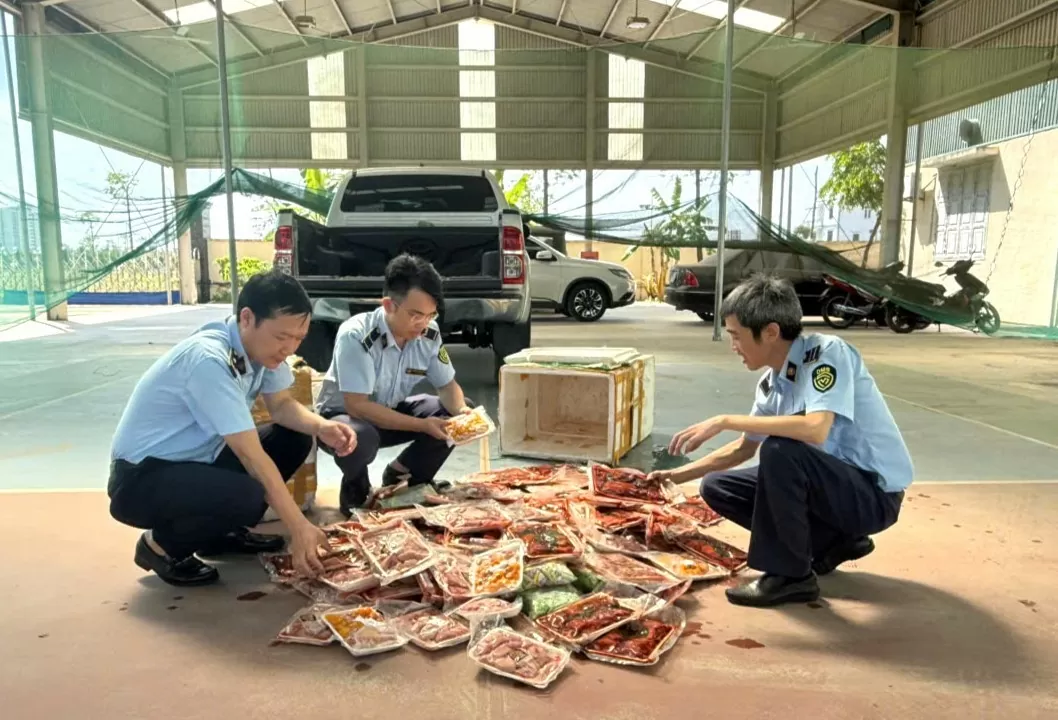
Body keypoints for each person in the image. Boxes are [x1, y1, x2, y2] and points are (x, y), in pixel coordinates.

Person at [650, 273, 913, 608]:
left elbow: (815, 428)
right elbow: (744, 448)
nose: (733, 346)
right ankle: (834, 542)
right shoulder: (773, 382)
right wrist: (670, 479)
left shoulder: (825, 354)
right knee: (718, 486)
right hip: (835, 490)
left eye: (736, 336)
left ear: (770, 332)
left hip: (872, 495)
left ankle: (791, 576)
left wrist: (724, 420)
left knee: (781, 450)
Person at [107, 270, 358, 587]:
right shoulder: (210, 360)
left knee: (295, 437)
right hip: (140, 479)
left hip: (196, 460)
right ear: (247, 318)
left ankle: (220, 534)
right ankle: (160, 547)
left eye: (298, 339)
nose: (289, 349)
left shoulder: (258, 352)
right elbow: (251, 456)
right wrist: (298, 526)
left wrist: (323, 427)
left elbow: (281, 406)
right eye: (282, 337)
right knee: (249, 495)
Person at [315, 253, 473, 516]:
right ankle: (356, 485)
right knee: (358, 437)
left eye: (430, 314)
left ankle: (405, 475)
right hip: (345, 419)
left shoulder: (428, 334)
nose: (423, 324)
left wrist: (464, 415)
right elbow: (358, 406)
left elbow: (447, 386)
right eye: (415, 315)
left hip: (390, 410)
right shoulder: (357, 335)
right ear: (389, 305)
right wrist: (422, 425)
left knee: (455, 414)